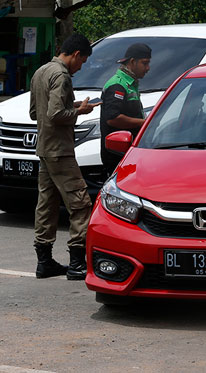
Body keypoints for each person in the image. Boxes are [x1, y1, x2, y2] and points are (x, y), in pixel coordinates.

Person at [29, 33, 96, 279]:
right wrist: (80, 111)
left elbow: (36, 113)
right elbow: (57, 114)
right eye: (83, 61)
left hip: (45, 149)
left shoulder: (41, 72)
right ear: (76, 55)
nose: (81, 67)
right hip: (61, 150)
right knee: (80, 203)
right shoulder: (61, 75)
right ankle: (77, 262)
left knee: (46, 204)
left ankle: (44, 261)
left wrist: (73, 106)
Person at [100, 43, 151, 174]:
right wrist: (145, 123)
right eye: (144, 63)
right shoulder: (117, 85)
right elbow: (113, 119)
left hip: (130, 152)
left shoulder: (131, 83)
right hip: (117, 155)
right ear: (132, 62)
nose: (148, 68)